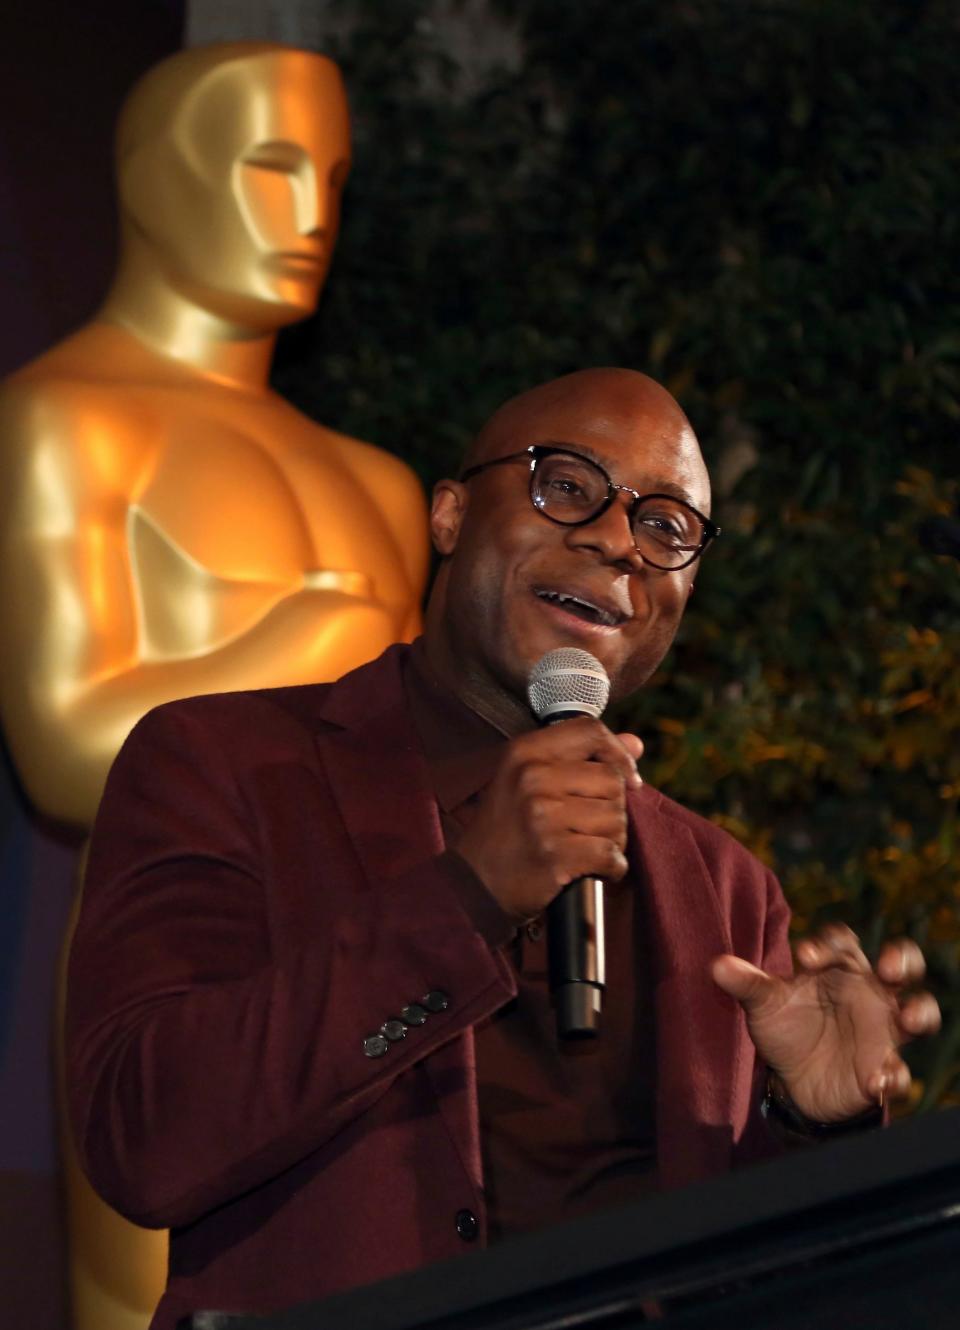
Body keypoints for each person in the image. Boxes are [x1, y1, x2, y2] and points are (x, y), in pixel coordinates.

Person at [66, 368, 941, 1330]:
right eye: (566, 484)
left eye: (667, 528)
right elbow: (145, 1142)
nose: (617, 539)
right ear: (448, 515)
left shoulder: (729, 890)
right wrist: (468, 896)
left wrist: (813, 1127)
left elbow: (753, 1274)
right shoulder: (223, 763)